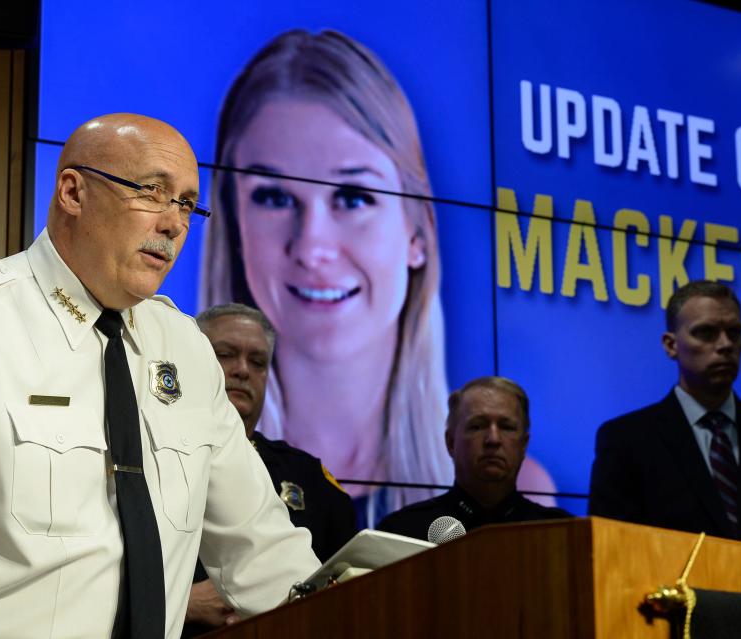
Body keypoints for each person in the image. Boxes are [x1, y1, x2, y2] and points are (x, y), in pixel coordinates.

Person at [0, 113, 320, 639]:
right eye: (151, 192)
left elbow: (262, 550)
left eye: (186, 203)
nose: (174, 223)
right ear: (73, 192)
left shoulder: (185, 348)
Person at [199, 29, 557, 525]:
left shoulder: (531, 495)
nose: (313, 247)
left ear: (418, 233)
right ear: (235, 228)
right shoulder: (184, 470)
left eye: (353, 197)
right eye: (274, 197)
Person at [182, 303, 357, 636]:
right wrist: (183, 602)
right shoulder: (153, 453)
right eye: (225, 355)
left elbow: (344, 580)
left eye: (257, 362)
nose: (242, 370)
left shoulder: (311, 479)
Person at [589, 280, 741, 550]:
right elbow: (613, 549)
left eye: (734, 332)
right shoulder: (627, 440)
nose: (725, 344)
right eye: (706, 332)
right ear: (671, 345)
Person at [377, 377, 570, 540]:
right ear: (451, 443)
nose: (493, 439)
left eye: (506, 427)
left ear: (523, 445)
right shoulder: (402, 532)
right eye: (477, 426)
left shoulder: (563, 533)